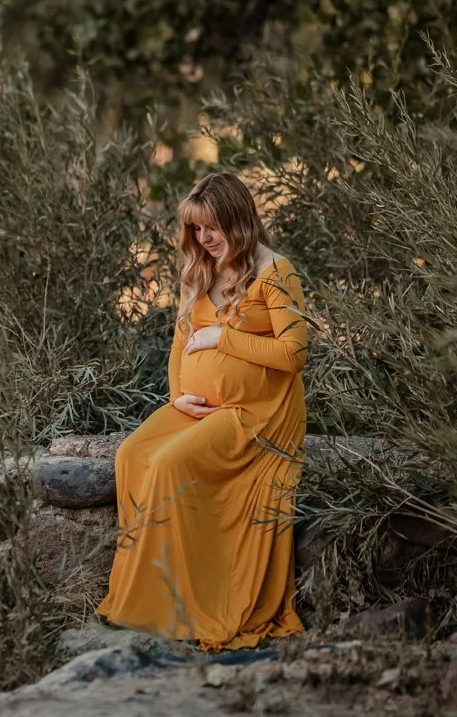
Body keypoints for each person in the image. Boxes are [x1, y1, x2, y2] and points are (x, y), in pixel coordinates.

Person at [95, 171, 310, 650]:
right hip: (199, 408)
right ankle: (146, 596)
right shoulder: (202, 271)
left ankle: (183, 606)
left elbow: (295, 354)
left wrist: (224, 338)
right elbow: (179, 341)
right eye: (195, 229)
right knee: (131, 455)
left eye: (211, 227)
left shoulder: (276, 272)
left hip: (256, 415)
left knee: (171, 464)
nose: (204, 239)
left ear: (239, 220)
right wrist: (177, 396)